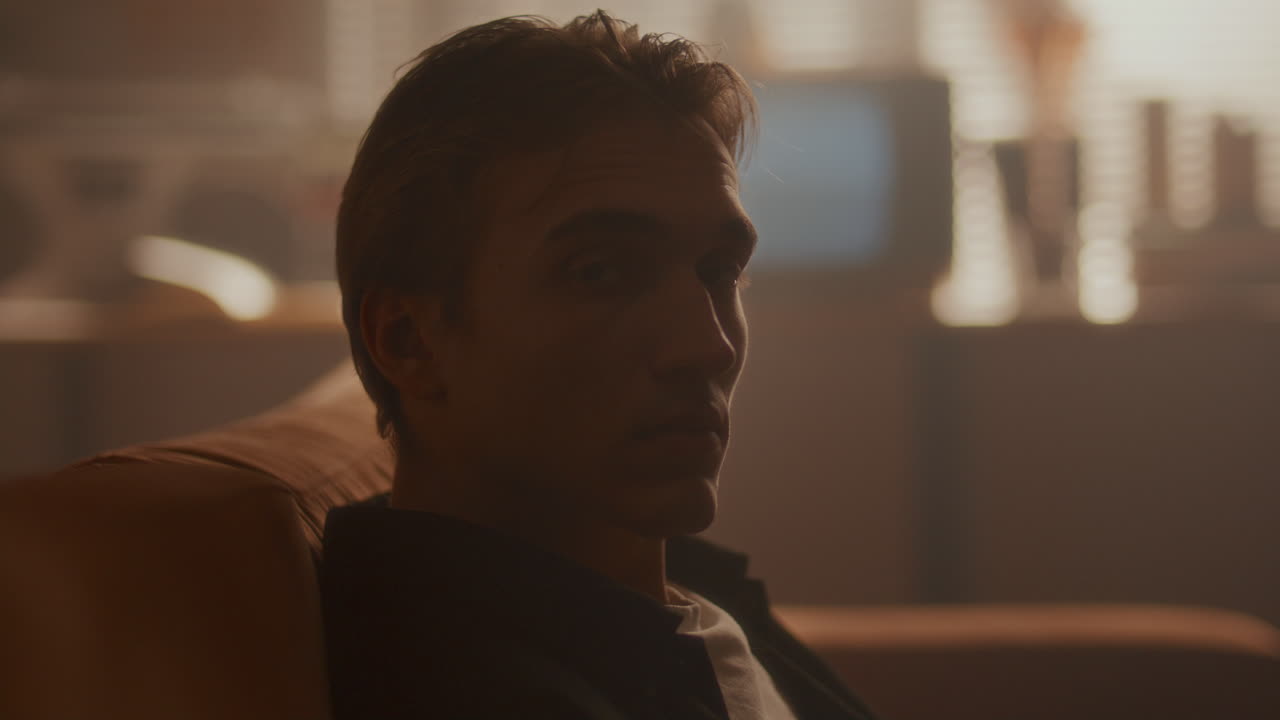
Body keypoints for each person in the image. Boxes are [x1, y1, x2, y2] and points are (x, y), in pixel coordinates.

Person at [321, 10, 877, 719]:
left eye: (717, 271)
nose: (709, 346)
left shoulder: (673, 581)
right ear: (408, 340)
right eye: (599, 272)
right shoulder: (470, 683)